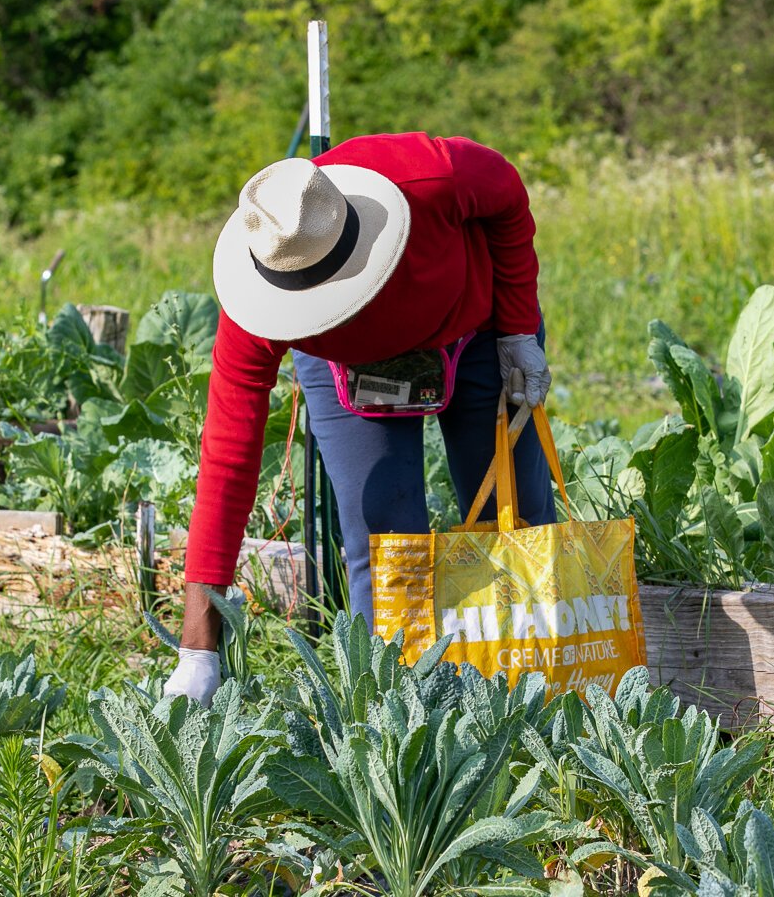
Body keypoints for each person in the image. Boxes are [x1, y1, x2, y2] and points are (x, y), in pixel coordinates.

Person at [164, 132, 553, 706]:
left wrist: (518, 326)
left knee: (512, 525)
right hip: (347, 371)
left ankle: (535, 713)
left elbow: (507, 197)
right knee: (387, 547)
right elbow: (227, 458)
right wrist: (197, 651)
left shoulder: (429, 176)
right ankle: (406, 728)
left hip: (478, 330)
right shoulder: (259, 304)